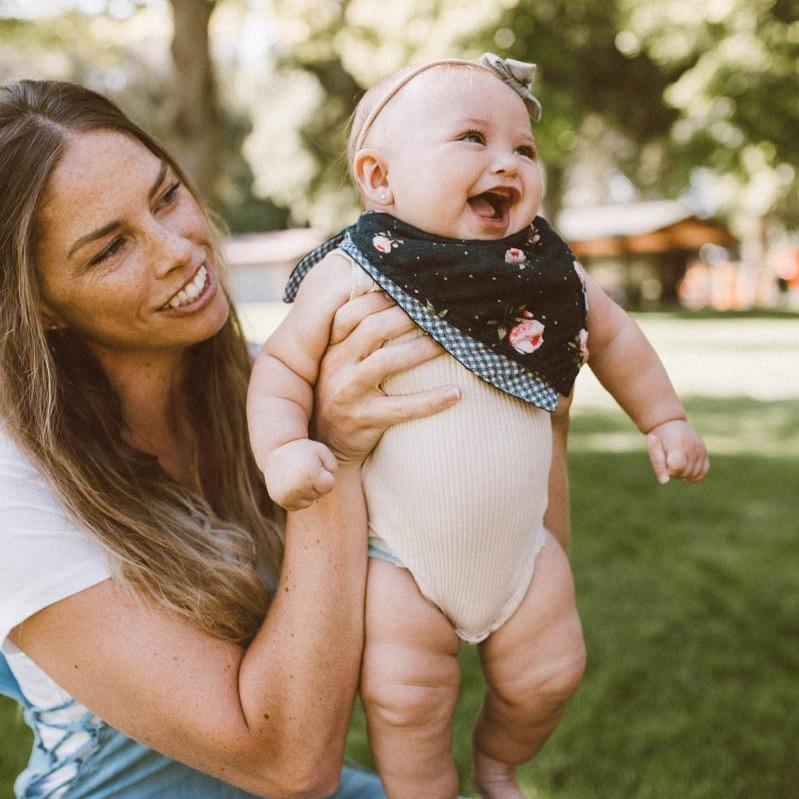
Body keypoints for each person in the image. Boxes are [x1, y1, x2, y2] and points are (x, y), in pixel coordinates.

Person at [0, 78, 484, 799]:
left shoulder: (261, 388)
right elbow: (286, 763)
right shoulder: (15, 486)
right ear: (40, 303)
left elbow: (489, 566)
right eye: (110, 250)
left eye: (166, 196)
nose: (177, 249)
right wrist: (329, 454)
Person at [247, 55, 710, 799]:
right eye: (472, 137)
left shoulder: (542, 265)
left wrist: (663, 418)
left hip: (520, 552)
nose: (508, 161)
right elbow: (281, 369)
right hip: (400, 560)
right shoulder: (359, 269)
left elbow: (616, 337)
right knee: (405, 701)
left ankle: (498, 762)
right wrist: (282, 449)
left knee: (551, 674)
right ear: (379, 178)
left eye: (523, 148)